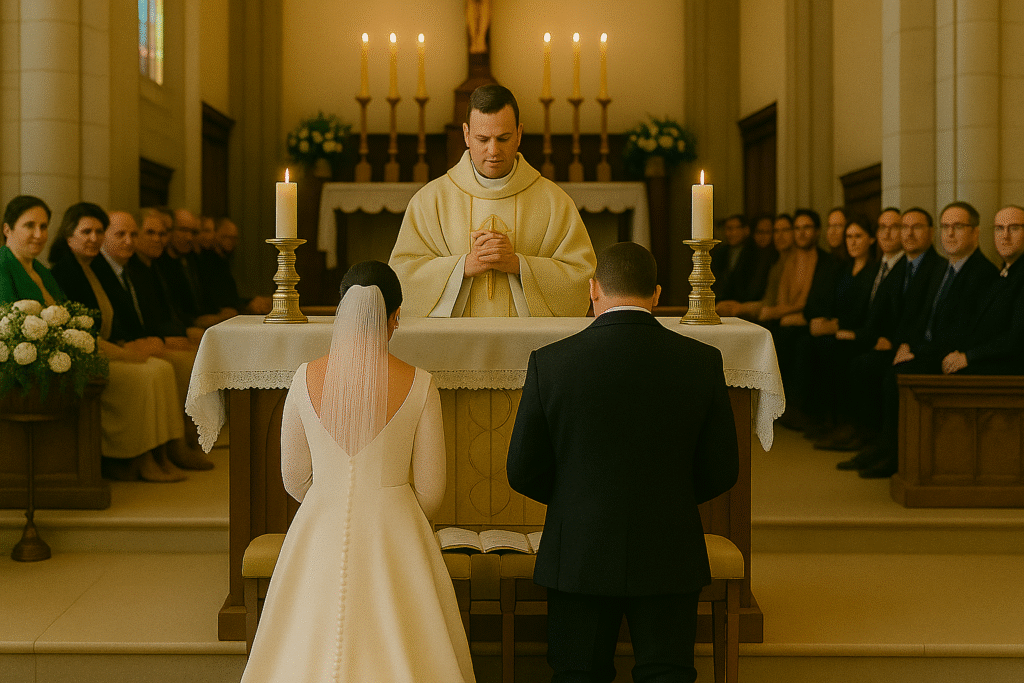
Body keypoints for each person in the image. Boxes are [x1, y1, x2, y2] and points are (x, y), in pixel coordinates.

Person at [506, 242, 739, 683]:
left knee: (578, 674)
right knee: (667, 674)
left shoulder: (550, 363)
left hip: (579, 548)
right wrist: (669, 496)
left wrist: (575, 499)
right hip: (669, 544)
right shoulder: (701, 361)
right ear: (655, 294)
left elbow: (522, 469)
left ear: (593, 290)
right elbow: (723, 468)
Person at [241, 261, 475, 683]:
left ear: (341, 311)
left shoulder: (303, 377)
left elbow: (293, 478)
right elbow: (432, 490)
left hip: (321, 521)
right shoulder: (421, 383)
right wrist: (396, 510)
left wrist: (329, 496)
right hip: (395, 527)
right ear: (395, 317)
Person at [389, 84, 596, 317]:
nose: (493, 150)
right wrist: (463, 267)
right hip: (453, 345)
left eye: (503, 138)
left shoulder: (554, 202)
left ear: (519, 134)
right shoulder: (430, 201)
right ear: (466, 134)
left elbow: (580, 276)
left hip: (530, 345)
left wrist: (518, 265)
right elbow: (402, 275)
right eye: (482, 139)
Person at [46, 202, 193, 482]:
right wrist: (124, 351)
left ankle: (163, 451)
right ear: (68, 236)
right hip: (87, 355)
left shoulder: (89, 268)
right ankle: (138, 457)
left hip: (106, 347)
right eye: (85, 231)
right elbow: (78, 331)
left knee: (160, 369)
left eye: (98, 231)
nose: (93, 238)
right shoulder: (64, 272)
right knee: (148, 372)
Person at [858, 201, 999, 478]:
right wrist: (907, 344)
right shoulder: (946, 268)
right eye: (946, 227)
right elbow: (922, 317)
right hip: (927, 348)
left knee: (895, 375)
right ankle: (879, 444)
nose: (950, 233)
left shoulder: (982, 273)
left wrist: (918, 352)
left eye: (958, 226)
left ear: (975, 232)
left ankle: (895, 454)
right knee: (869, 365)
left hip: (950, 356)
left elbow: (964, 332)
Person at [1, 195, 65, 304]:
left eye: (43, 227)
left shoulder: (42, 271)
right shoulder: (2, 266)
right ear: (7, 230)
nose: (38, 235)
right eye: (29, 225)